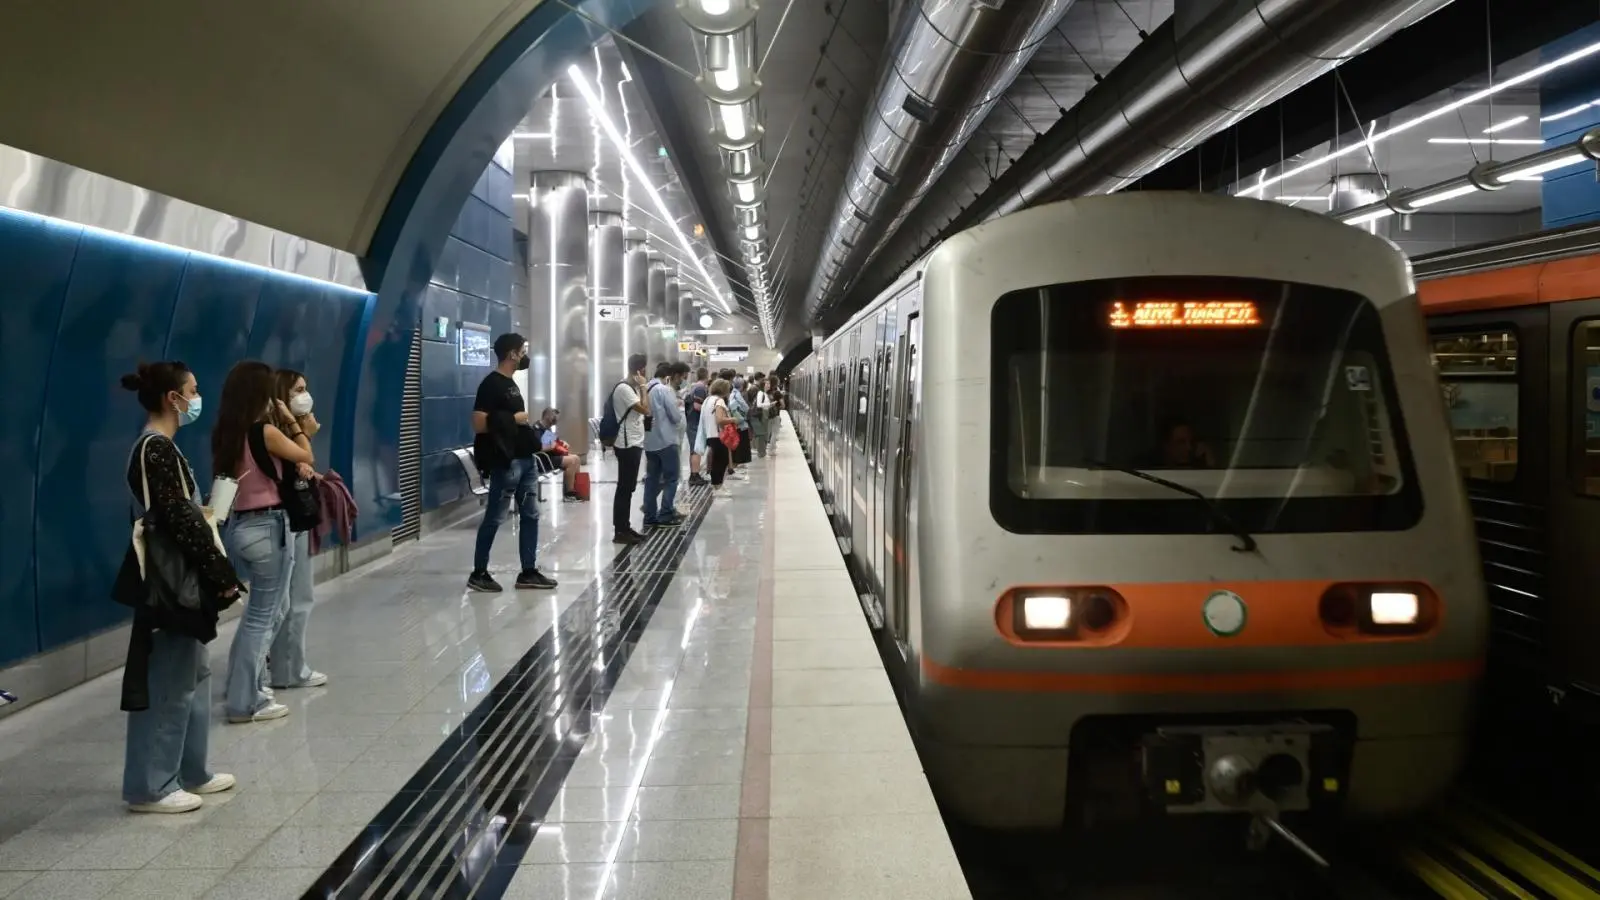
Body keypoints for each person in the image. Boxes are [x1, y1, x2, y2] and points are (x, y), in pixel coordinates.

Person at [118, 361, 241, 813]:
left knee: (193, 674)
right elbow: (176, 519)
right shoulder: (155, 450)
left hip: (184, 577)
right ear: (174, 398)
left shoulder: (163, 449)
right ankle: (151, 786)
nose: (197, 397)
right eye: (193, 389)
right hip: (172, 584)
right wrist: (220, 573)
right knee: (170, 680)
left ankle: (191, 770)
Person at [212, 360, 312, 724]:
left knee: (258, 615)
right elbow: (305, 454)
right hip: (269, 526)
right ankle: (245, 701)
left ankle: (244, 687)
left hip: (239, 526)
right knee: (262, 618)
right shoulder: (265, 431)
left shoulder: (226, 433)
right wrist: (291, 422)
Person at [469, 333, 558, 592]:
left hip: (525, 460)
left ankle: (528, 571)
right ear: (512, 354)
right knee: (495, 516)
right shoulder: (491, 384)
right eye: (522, 351)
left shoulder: (511, 383)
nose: (524, 356)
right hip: (507, 462)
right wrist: (514, 419)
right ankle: (479, 572)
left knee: (530, 514)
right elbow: (479, 424)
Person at [266, 369, 328, 690]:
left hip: (290, 518)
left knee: (291, 599)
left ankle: (285, 667)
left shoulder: (274, 430)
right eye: (298, 390)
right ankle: (289, 669)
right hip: (285, 519)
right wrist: (304, 433)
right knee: (292, 599)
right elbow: (300, 462)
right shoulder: (275, 431)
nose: (305, 396)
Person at [609, 353, 651, 544]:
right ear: (640, 370)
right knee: (624, 488)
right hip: (626, 444)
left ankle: (625, 527)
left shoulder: (630, 388)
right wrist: (643, 386)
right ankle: (620, 531)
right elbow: (645, 409)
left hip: (634, 442)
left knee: (628, 487)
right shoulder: (624, 388)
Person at [642, 362, 687, 528]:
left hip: (649, 442)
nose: (681, 381)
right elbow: (675, 416)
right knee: (671, 478)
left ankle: (649, 516)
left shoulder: (645, 388)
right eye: (681, 377)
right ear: (670, 376)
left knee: (651, 479)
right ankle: (666, 514)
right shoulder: (664, 390)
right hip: (666, 440)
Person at [531, 407, 584, 501]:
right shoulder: (537, 428)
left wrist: (562, 443)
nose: (556, 419)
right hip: (543, 460)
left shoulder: (547, 428)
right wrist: (552, 446)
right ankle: (569, 493)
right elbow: (539, 448)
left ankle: (575, 489)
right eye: (554, 416)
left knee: (576, 458)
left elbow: (554, 442)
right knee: (571, 461)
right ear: (547, 416)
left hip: (551, 457)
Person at [703, 378, 735, 488]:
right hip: (719, 435)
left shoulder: (708, 400)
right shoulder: (719, 401)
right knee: (720, 462)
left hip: (710, 434)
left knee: (716, 461)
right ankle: (718, 486)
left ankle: (716, 485)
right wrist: (733, 419)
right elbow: (719, 420)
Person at [1152, 418, 1216, 468]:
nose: (1189, 448)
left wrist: (1210, 463)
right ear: (1166, 445)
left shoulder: (1196, 470)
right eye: (1181, 442)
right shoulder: (1153, 471)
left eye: (1191, 442)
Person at [685, 367, 710, 485]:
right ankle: (694, 475)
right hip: (695, 422)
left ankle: (694, 474)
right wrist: (708, 411)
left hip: (692, 421)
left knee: (694, 449)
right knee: (696, 449)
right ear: (706, 376)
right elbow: (697, 406)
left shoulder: (695, 387)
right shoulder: (700, 388)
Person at [751, 378, 774, 458]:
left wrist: (770, 405)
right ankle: (761, 452)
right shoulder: (760, 393)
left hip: (765, 414)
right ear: (762, 385)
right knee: (761, 434)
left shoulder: (764, 393)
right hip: (762, 415)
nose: (768, 385)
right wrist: (769, 404)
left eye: (769, 383)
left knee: (764, 433)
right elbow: (759, 405)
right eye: (767, 383)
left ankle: (762, 451)